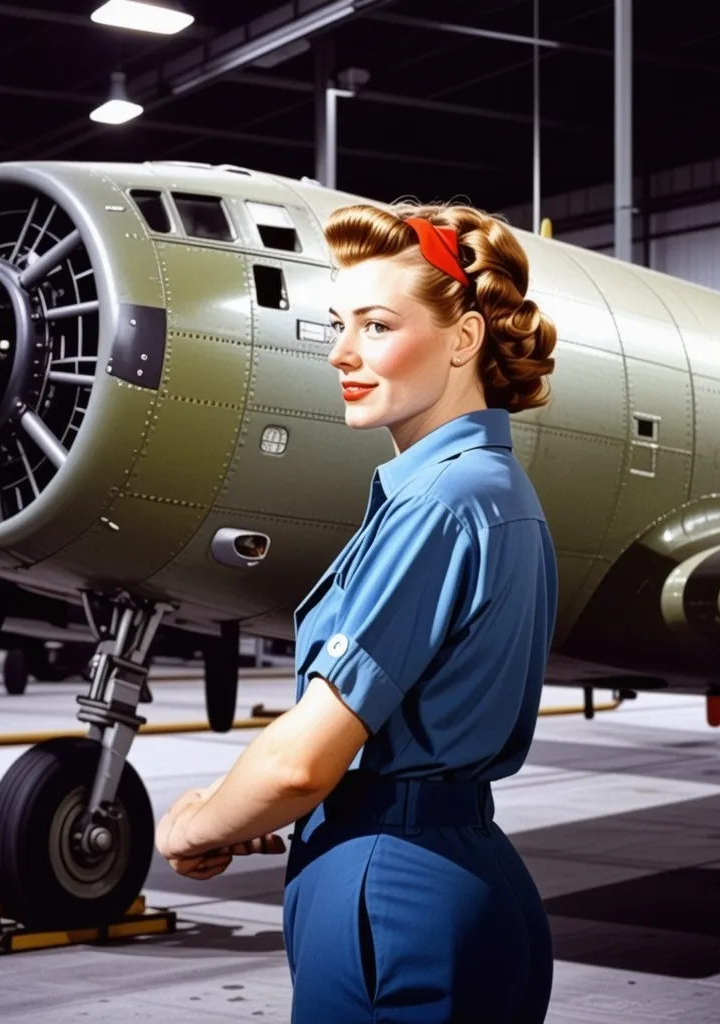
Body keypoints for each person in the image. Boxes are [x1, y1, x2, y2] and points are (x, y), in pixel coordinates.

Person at [155, 201, 559, 1023]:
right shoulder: (497, 493)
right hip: (464, 873)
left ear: (464, 340)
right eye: (340, 324)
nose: (341, 353)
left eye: (376, 325)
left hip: (389, 895)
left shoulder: (437, 506)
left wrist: (197, 825)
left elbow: (302, 763)